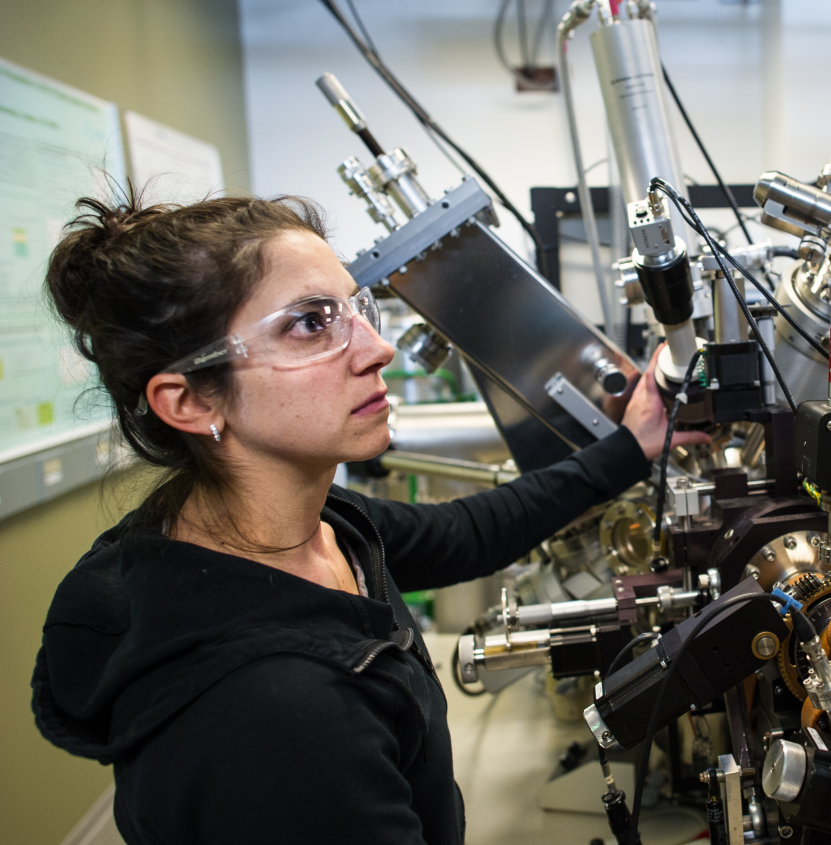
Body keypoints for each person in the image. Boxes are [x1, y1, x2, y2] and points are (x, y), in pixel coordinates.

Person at [31, 194, 707, 845]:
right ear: (190, 400)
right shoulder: (273, 718)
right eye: (310, 322)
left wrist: (632, 445)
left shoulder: (305, 523)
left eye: (357, 309)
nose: (377, 349)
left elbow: (468, 533)